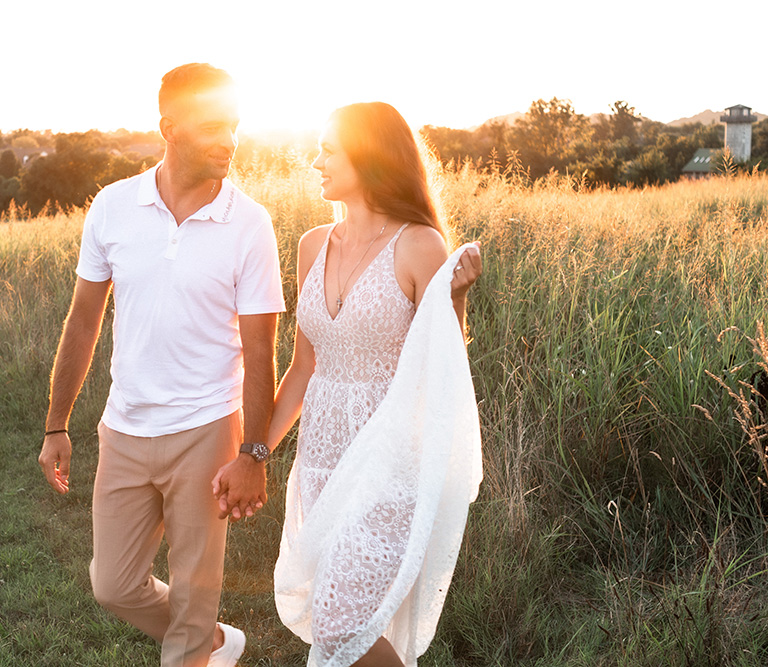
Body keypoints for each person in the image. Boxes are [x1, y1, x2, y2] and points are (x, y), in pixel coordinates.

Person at [213, 102, 484, 666]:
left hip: (389, 460)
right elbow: (301, 369)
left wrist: (455, 299)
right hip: (321, 458)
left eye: (329, 150)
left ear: (370, 157)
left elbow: (444, 368)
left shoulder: (419, 245)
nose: (316, 161)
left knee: (341, 625)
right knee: (336, 621)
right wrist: (257, 452)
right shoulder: (313, 244)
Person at [37, 63, 286, 667]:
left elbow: (260, 352)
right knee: (113, 585)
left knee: (191, 615)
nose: (229, 139)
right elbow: (83, 321)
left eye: (234, 125)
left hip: (206, 429)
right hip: (124, 428)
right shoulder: (113, 207)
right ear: (168, 127)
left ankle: (198, 640)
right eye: (212, 126)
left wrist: (253, 453)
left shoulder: (249, 223)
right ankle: (215, 643)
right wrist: (56, 424)